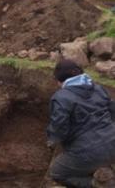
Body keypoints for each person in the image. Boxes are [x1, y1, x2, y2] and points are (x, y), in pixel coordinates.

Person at [47, 59, 115, 187]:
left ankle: (97, 184)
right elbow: (113, 112)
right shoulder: (99, 88)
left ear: (60, 80)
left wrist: (52, 139)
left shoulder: (61, 97)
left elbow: (59, 127)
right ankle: (106, 171)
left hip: (88, 152)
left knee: (57, 172)